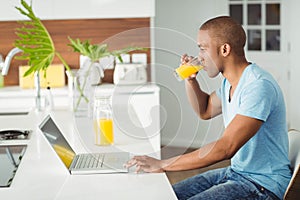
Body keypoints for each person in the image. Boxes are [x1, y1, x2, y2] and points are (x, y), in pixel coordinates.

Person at [124, 16, 291, 200]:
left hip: (263, 186)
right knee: (166, 196)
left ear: (225, 49)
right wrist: (190, 80)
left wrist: (163, 164)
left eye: (203, 49)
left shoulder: (258, 86)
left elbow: (226, 148)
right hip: (236, 172)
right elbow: (204, 110)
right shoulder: (229, 83)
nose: (200, 57)